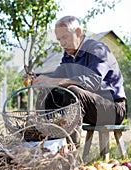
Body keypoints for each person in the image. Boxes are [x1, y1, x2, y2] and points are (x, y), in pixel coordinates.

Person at [32, 15, 126, 146]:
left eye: (65, 37)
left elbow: (93, 81)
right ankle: (46, 145)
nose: (62, 43)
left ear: (78, 32)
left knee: (73, 92)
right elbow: (55, 77)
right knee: (47, 93)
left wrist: (57, 82)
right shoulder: (68, 56)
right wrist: (38, 80)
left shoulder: (97, 49)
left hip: (112, 109)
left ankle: (71, 152)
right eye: (59, 39)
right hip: (89, 108)